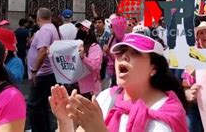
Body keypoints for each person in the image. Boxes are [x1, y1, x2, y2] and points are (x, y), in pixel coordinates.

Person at [50, 33, 188, 132]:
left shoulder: (166, 116)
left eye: (135, 53)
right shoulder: (105, 98)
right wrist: (65, 120)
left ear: (153, 68)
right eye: (120, 52)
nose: (124, 57)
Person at [27, 7, 60, 132]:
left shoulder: (45, 30)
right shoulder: (51, 28)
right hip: (47, 73)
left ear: (37, 18)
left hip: (42, 74)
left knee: (33, 105)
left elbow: (43, 50)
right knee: (42, 106)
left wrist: (34, 70)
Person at [77, 20, 103, 98]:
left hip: (91, 89)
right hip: (78, 86)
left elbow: (94, 66)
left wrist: (83, 57)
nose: (80, 30)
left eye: (83, 28)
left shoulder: (94, 47)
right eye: (79, 28)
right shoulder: (77, 45)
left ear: (89, 31)